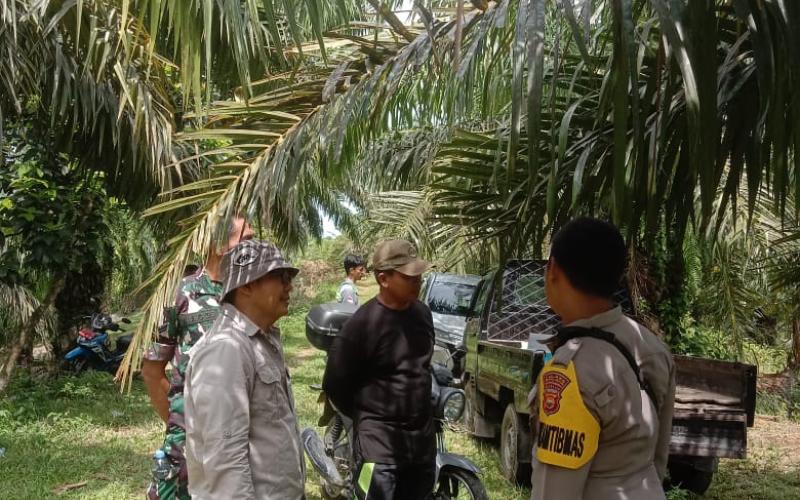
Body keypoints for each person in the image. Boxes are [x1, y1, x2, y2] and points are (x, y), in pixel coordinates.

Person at [528, 217, 676, 500]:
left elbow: (554, 493)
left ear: (553, 270)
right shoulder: (651, 347)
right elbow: (657, 460)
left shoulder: (569, 372)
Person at [141, 215, 253, 500]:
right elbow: (152, 371)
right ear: (217, 245)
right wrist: (179, 419)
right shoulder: (180, 293)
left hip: (241, 425)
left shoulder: (249, 295)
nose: (251, 248)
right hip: (189, 428)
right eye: (245, 240)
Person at [183, 239, 304, 499]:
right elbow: (225, 458)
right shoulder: (226, 350)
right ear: (247, 285)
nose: (289, 286)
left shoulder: (260, 340)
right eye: (281, 277)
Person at [323, 239, 436, 500]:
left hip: (420, 447)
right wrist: (370, 416)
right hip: (379, 449)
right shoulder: (361, 326)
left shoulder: (422, 314)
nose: (417, 280)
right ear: (384, 279)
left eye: (419, 274)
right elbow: (335, 384)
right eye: (409, 277)